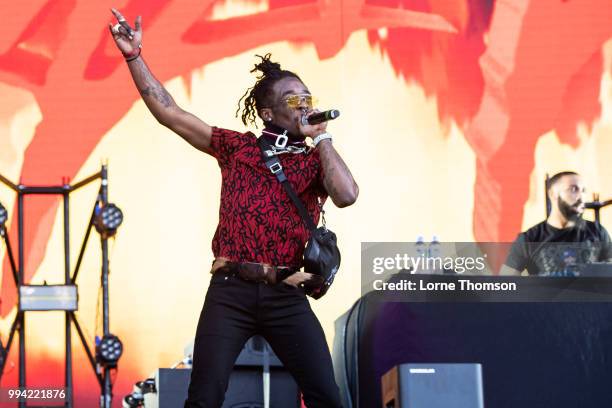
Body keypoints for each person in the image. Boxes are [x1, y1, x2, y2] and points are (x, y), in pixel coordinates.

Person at [109, 8, 358, 408]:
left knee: (325, 396)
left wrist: (322, 140)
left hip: (286, 292)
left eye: (307, 99)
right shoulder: (237, 148)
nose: (304, 107)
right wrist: (134, 57)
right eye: (293, 100)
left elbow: (347, 195)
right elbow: (169, 113)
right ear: (268, 113)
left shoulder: (315, 160)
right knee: (204, 397)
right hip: (231, 291)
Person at [501, 171, 612, 276]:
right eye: (574, 189)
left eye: (583, 191)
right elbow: (504, 284)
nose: (581, 197)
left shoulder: (597, 231)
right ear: (553, 194)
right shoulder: (529, 239)